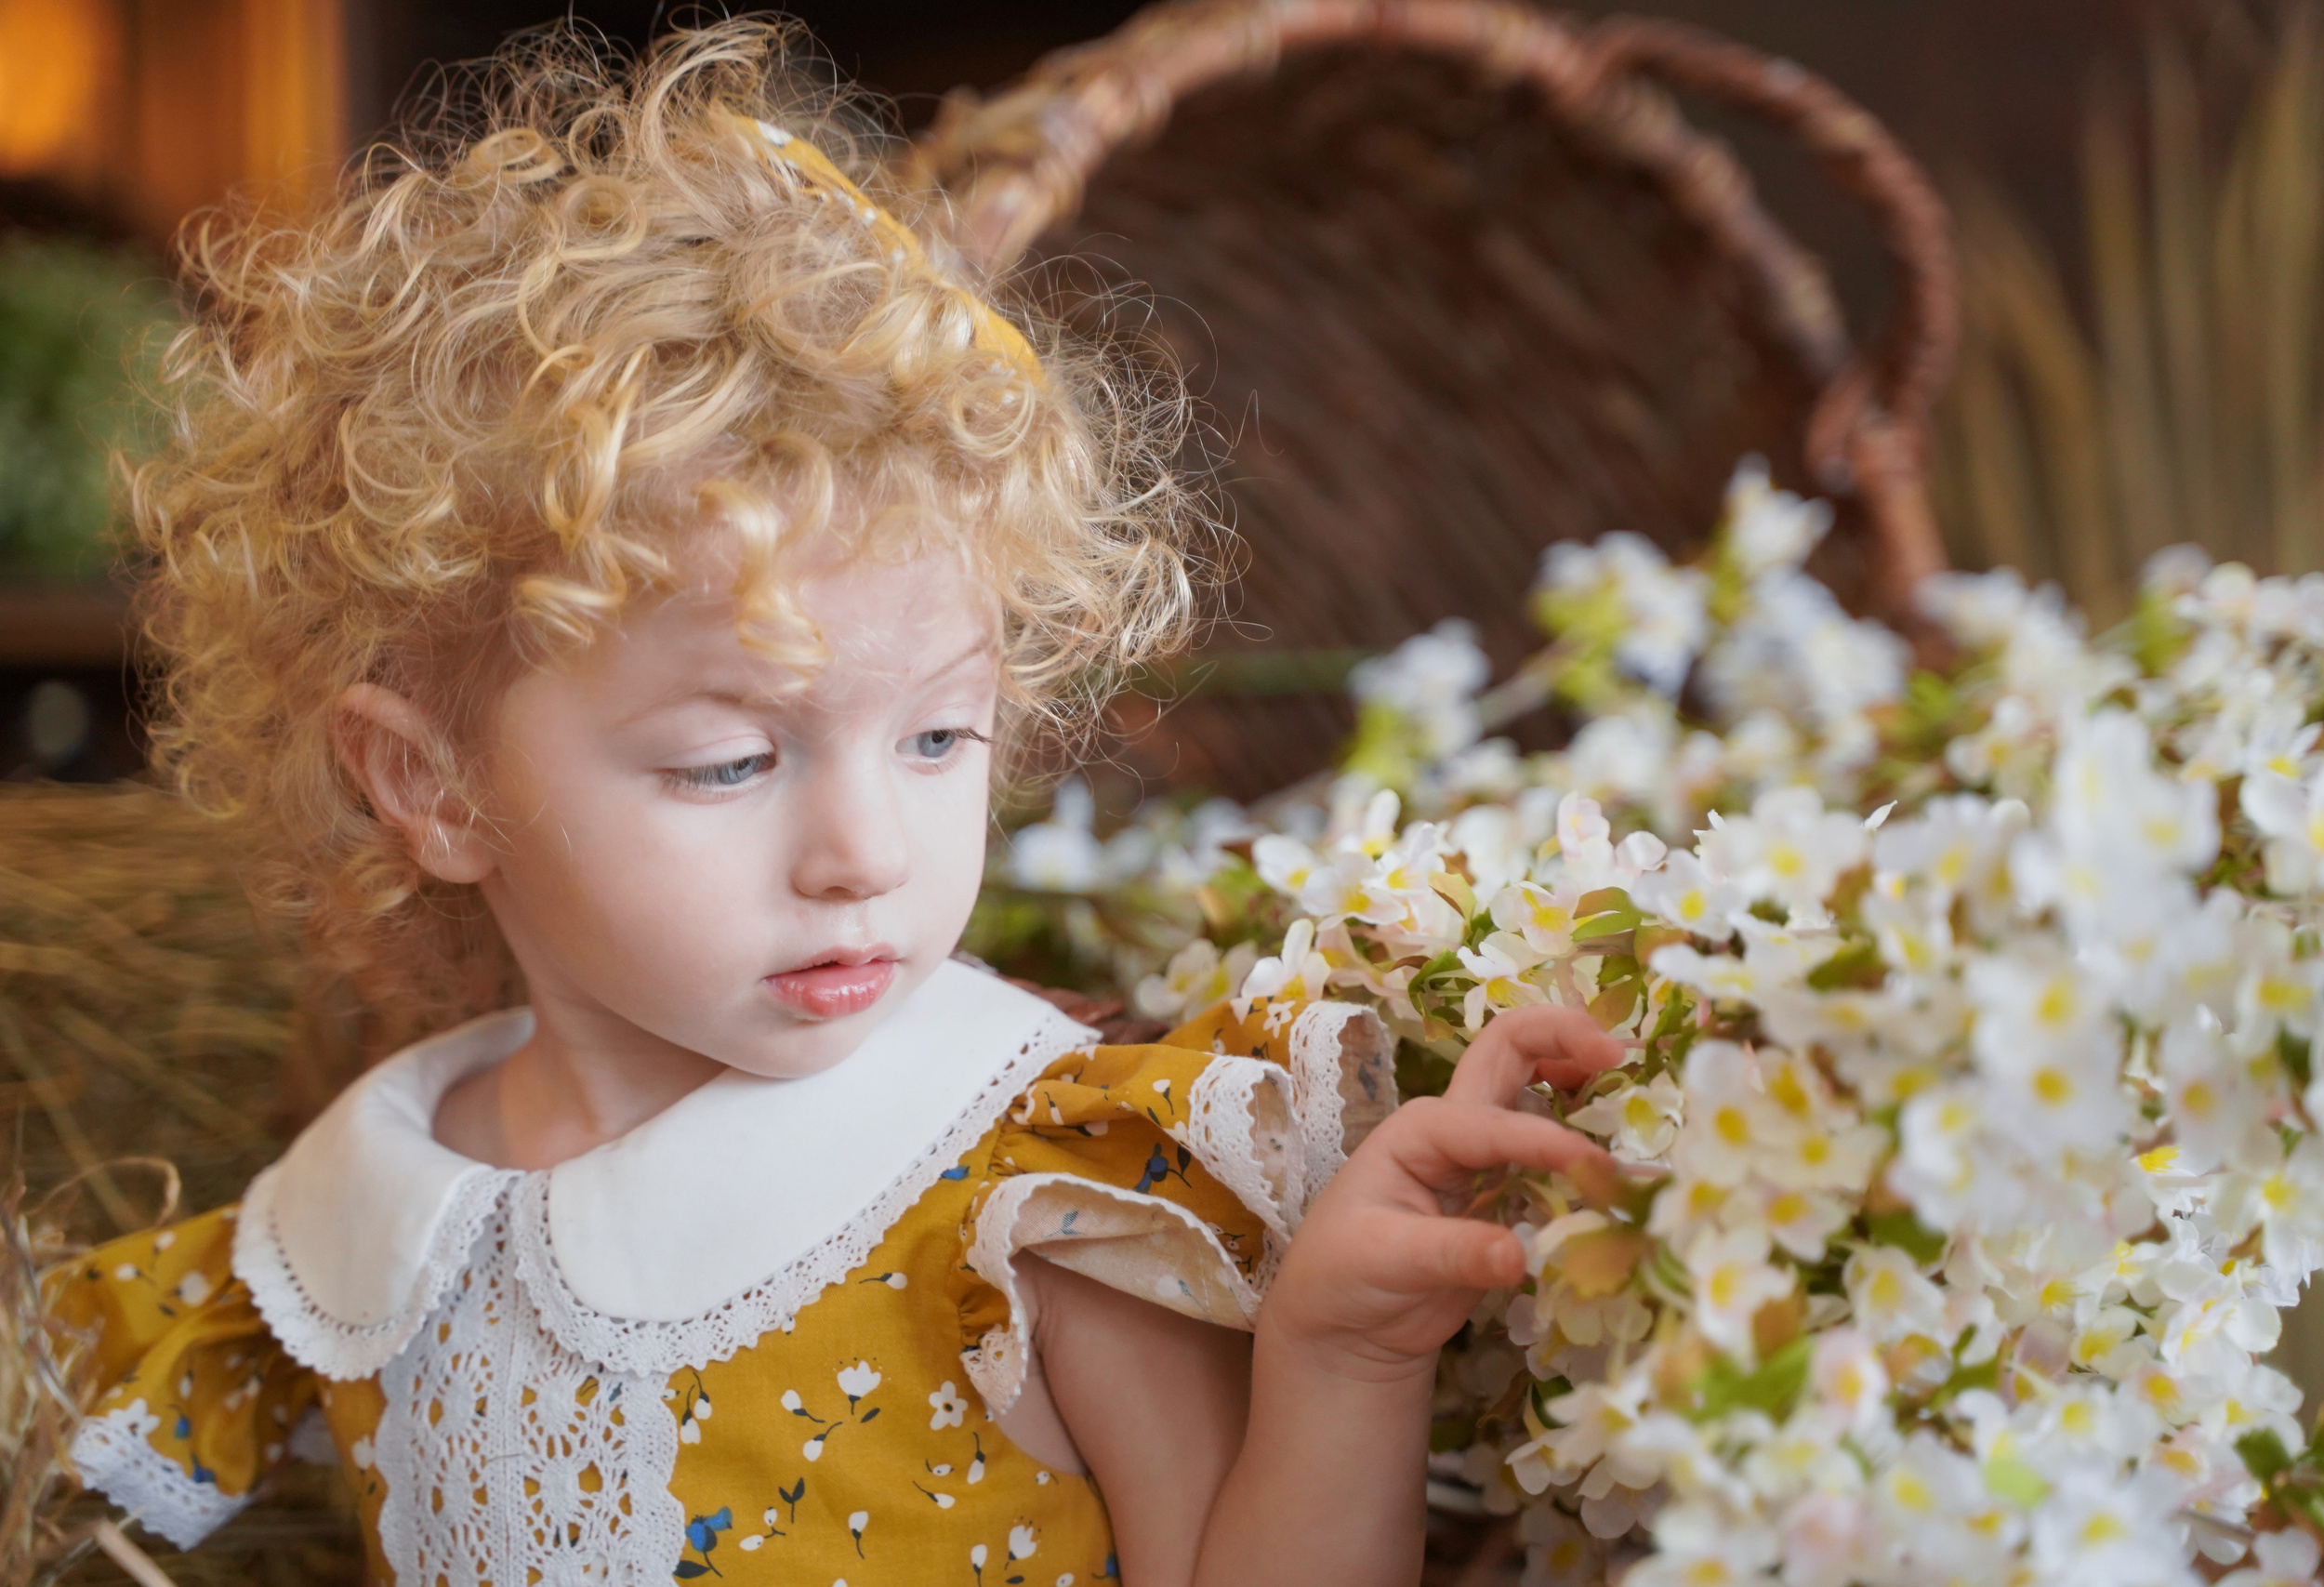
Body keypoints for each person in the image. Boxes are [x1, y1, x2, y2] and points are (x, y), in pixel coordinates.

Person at [49, 20, 1618, 1585]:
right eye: (731, 762)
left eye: (938, 739)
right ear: (431, 783)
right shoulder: (362, 1223)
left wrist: (1346, 1361)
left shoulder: (1033, 1187)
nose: (864, 855)